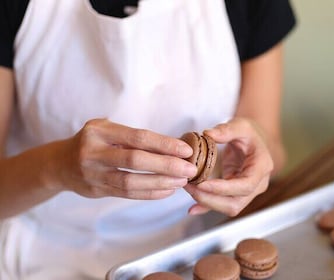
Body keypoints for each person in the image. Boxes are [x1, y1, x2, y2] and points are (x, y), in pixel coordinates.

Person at [0, 0, 295, 279]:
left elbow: (270, 144)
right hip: (39, 252)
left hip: (190, 248)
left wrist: (254, 161)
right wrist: (57, 166)